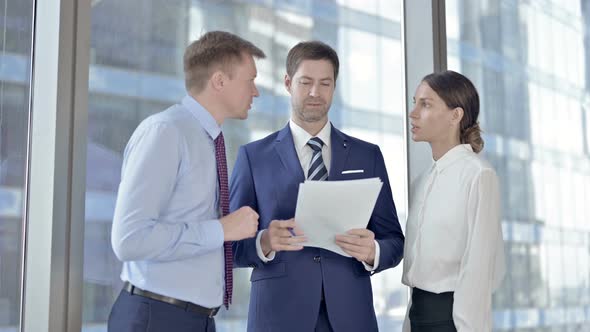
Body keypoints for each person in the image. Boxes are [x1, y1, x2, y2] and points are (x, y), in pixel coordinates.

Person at [229, 41, 405, 332]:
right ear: (288, 83)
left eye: (325, 83)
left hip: (351, 314)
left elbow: (394, 241)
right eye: (306, 82)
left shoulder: (367, 155)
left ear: (335, 87)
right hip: (278, 315)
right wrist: (265, 241)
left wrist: (372, 250)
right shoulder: (254, 157)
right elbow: (230, 247)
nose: (315, 92)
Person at [108, 31, 265, 332]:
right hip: (157, 318)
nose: (255, 92)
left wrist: (260, 241)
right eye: (250, 81)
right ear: (219, 81)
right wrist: (220, 229)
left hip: (198, 319)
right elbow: (129, 240)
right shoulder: (166, 132)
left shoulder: (211, 140)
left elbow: (199, 241)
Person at [402, 70, 506, 331]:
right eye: (414, 102)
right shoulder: (423, 180)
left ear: (455, 115)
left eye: (425, 104)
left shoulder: (479, 175)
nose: (413, 113)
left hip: (453, 320)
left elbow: (480, 268)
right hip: (418, 315)